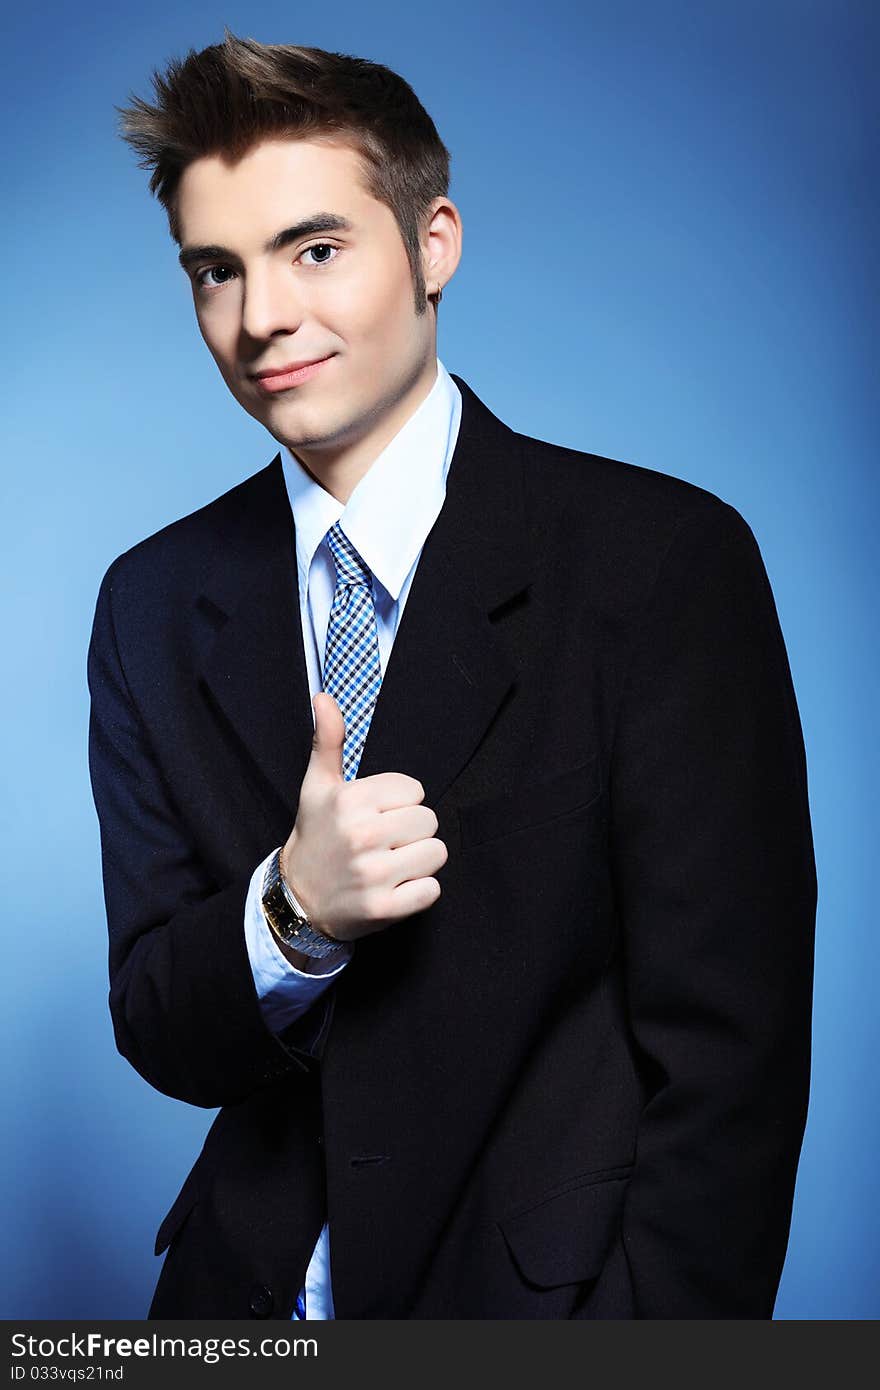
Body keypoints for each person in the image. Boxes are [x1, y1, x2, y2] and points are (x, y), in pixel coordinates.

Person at [87, 30, 817, 1320]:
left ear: (434, 246)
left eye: (316, 250)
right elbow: (157, 1019)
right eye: (216, 270)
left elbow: (732, 1053)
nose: (261, 319)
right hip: (244, 1307)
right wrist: (292, 913)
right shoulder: (151, 603)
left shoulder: (656, 563)